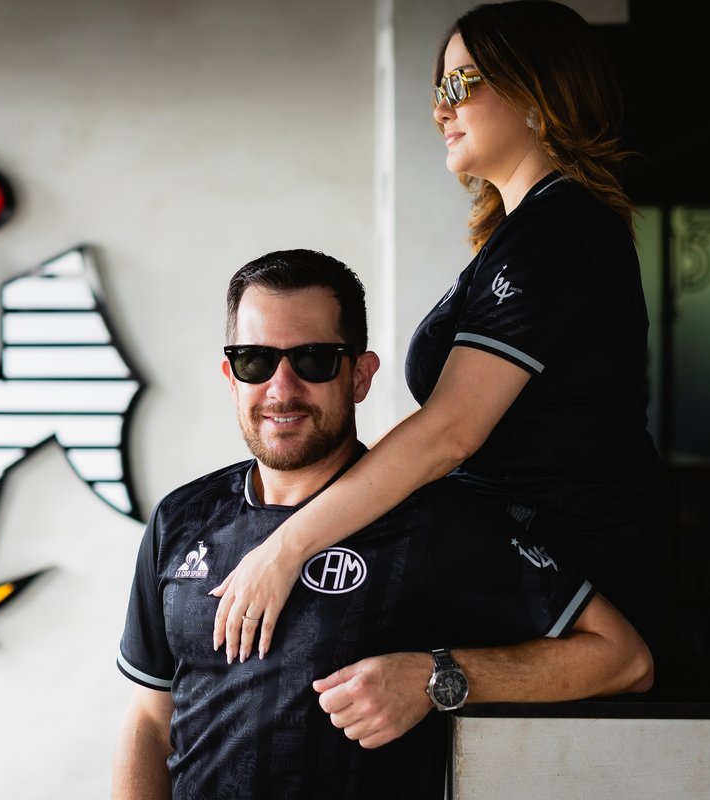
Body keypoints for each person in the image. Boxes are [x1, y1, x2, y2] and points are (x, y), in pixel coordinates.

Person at [211, 0, 673, 673]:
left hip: (576, 583)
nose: (439, 109)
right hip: (512, 562)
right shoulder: (523, 234)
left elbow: (450, 430)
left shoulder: (557, 233)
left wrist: (285, 547)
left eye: (460, 83)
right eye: (437, 88)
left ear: (536, 92)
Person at [112, 250, 653, 800]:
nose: (281, 388)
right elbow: (151, 721)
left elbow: (623, 659)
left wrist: (434, 677)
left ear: (361, 376)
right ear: (231, 376)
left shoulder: (433, 519)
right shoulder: (181, 519)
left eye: (315, 359)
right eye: (256, 360)